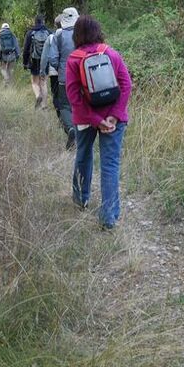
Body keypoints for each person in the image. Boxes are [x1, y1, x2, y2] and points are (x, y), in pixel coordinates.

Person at [65, 14, 132, 230]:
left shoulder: (74, 59)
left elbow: (73, 98)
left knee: (83, 155)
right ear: (98, 31)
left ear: (76, 35)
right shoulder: (111, 53)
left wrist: (96, 119)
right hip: (113, 119)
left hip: (85, 118)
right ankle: (108, 218)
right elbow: (126, 85)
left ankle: (81, 199)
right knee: (110, 164)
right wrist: (113, 116)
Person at [47, 7, 79, 150]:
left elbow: (53, 59)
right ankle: (82, 135)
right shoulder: (82, 34)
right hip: (82, 77)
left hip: (64, 77)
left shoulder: (58, 35)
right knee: (79, 105)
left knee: (65, 106)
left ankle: (71, 129)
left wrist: (61, 68)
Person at [23, 15, 52, 109]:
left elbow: (26, 49)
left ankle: (38, 95)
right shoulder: (49, 32)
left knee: (35, 82)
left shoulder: (30, 33)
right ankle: (44, 105)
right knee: (43, 82)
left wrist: (25, 62)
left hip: (34, 60)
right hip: (46, 60)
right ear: (43, 21)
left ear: (35, 22)